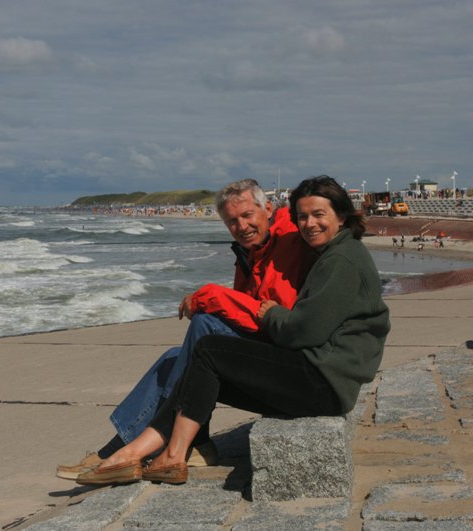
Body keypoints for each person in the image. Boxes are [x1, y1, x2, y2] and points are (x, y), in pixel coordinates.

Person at [76, 175, 390, 486]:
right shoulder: (326, 253)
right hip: (319, 374)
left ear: (341, 215)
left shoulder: (339, 259)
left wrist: (270, 313)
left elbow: (301, 330)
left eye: (318, 215)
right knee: (190, 364)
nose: (309, 224)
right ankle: (138, 451)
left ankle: (156, 452)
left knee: (207, 349)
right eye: (303, 217)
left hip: (324, 380)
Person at [56, 179, 317, 479]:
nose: (241, 226)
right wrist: (215, 300)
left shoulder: (289, 241)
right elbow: (246, 310)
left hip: (288, 363)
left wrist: (210, 296)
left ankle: (145, 444)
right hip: (268, 349)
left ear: (267, 209)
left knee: (205, 326)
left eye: (247, 215)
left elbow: (271, 315)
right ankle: (178, 443)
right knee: (174, 357)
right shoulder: (252, 251)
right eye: (232, 221)